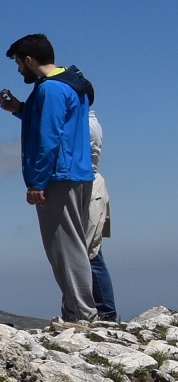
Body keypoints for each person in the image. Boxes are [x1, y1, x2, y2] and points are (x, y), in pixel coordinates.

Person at [0, 34, 95, 325]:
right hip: (76, 172)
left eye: (18, 63)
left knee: (64, 247)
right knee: (71, 244)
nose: (18, 70)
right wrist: (20, 109)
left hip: (57, 175)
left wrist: (37, 182)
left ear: (29, 60)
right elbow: (54, 121)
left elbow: (49, 136)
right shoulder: (67, 82)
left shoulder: (50, 89)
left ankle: (82, 315)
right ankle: (76, 310)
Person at [88, 112, 116, 322]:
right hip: (91, 188)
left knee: (90, 252)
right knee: (89, 251)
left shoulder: (85, 124)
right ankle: (102, 309)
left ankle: (105, 311)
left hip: (89, 190)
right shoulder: (88, 122)